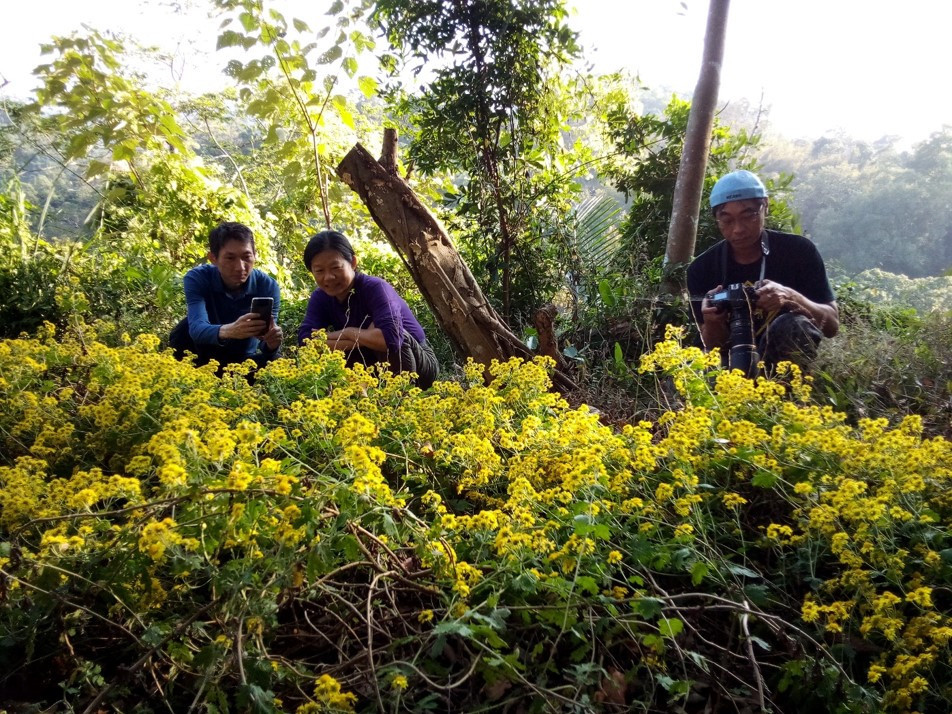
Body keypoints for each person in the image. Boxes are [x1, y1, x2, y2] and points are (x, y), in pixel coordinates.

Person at [687, 170, 839, 373]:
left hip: (781, 364)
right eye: (727, 220)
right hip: (729, 364)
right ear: (716, 218)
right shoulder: (702, 268)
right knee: (690, 367)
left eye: (748, 215)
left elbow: (831, 326)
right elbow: (711, 346)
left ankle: (784, 395)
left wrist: (790, 297)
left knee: (793, 325)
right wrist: (713, 322)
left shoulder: (799, 252)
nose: (738, 229)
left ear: (765, 206)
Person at [298, 230, 439, 389]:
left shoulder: (375, 288)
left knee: (397, 335)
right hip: (371, 363)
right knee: (339, 352)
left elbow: (391, 340)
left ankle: (401, 397)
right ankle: (363, 400)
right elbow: (306, 342)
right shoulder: (320, 297)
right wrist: (362, 340)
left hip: (419, 365)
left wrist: (348, 333)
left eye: (335, 267)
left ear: (353, 262)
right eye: (319, 271)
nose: (328, 277)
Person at [169, 221, 283, 370]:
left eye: (246, 257)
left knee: (276, 362)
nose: (240, 267)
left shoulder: (268, 286)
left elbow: (264, 344)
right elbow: (197, 328)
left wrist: (272, 343)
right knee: (183, 329)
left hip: (242, 361)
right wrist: (231, 330)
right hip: (201, 356)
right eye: (230, 258)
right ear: (213, 259)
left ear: (255, 255)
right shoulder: (197, 278)